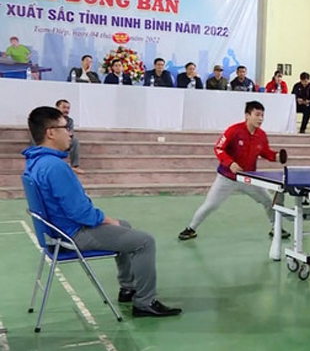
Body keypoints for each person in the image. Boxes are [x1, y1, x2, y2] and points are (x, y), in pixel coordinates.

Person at [24, 106, 182, 317]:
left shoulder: (35, 162)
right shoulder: (55, 167)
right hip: (72, 233)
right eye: (65, 128)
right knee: (145, 241)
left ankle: (128, 288)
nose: (70, 133)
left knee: (124, 226)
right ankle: (145, 302)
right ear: (51, 133)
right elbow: (80, 212)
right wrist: (105, 219)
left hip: (57, 231)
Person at [178, 101, 288, 241]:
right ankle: (191, 228)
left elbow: (265, 152)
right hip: (227, 178)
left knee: (268, 202)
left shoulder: (261, 135)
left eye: (262, 115)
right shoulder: (233, 130)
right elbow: (218, 148)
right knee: (211, 205)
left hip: (249, 179)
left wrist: (276, 156)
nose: (260, 118)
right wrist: (230, 163)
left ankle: (276, 228)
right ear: (247, 115)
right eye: (257, 115)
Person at [55, 99, 84, 175]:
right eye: (64, 107)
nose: (66, 110)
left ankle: (75, 166)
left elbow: (70, 133)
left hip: (63, 140)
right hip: (51, 140)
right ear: (57, 108)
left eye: (68, 108)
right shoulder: (50, 118)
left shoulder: (69, 121)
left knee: (74, 141)